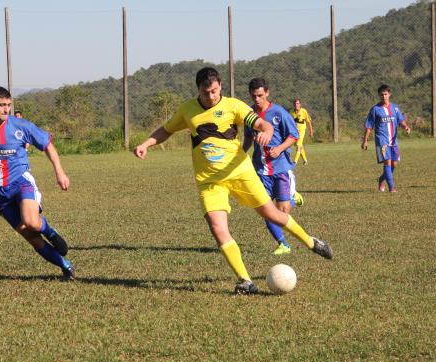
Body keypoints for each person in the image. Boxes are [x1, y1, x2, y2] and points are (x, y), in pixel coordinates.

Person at [133, 67, 333, 295]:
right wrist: (145, 144)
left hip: (240, 172)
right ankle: (245, 281)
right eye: (206, 92)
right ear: (198, 89)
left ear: (220, 87)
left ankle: (311, 242)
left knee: (271, 214)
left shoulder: (234, 105)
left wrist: (267, 131)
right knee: (217, 228)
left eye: (215, 91)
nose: (211, 96)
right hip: (210, 181)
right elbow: (166, 130)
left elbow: (261, 123)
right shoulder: (187, 110)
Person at [0, 86, 74, 280]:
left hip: (21, 181)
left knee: (31, 221)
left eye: (8, 105)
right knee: (30, 236)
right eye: (1, 105)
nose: (6, 109)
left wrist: (60, 172)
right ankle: (66, 267)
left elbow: (47, 144)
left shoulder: (20, 125)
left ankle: (50, 231)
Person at [242, 77, 300, 256]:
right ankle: (283, 243)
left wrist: (280, 148)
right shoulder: (249, 115)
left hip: (280, 168)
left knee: (283, 211)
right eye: (254, 96)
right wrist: (239, 155)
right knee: (266, 210)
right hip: (260, 170)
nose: (257, 99)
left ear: (267, 92)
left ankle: (292, 198)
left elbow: (294, 135)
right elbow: (248, 138)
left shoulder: (278, 112)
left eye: (260, 95)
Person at [362, 84, 411, 193]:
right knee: (387, 162)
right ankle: (392, 188)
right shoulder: (375, 109)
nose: (384, 96)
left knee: (394, 164)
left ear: (389, 94)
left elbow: (400, 121)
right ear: (379, 96)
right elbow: (369, 126)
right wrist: (365, 141)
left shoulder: (395, 108)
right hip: (382, 141)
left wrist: (405, 127)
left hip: (393, 141)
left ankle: (381, 179)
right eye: (381, 95)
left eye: (385, 94)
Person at [290, 98, 314, 165]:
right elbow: (289, 121)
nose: (296, 105)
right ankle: (305, 160)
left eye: (297, 103)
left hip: (302, 131)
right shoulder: (292, 112)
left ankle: (295, 161)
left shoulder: (303, 111)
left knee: (298, 145)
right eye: (295, 103)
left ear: (300, 104)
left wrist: (311, 131)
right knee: (300, 146)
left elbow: (308, 121)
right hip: (295, 132)